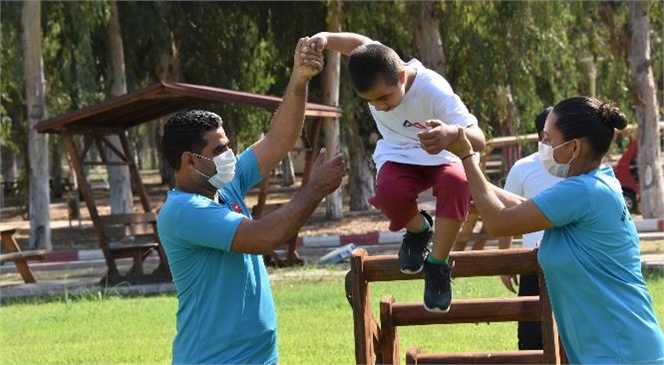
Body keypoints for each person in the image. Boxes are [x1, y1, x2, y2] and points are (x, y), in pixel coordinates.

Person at [157, 38, 345, 365]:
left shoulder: (224, 186)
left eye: (228, 146)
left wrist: (299, 79)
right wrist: (314, 189)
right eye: (218, 150)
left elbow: (279, 139)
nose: (228, 155)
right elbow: (263, 238)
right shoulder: (184, 211)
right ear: (189, 160)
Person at [447, 96, 664, 363]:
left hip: (619, 351)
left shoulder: (581, 190)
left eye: (548, 139)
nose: (543, 147)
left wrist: (466, 156)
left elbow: (500, 223)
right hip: (622, 346)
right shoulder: (599, 182)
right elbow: (526, 207)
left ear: (574, 147)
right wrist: (463, 176)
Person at [307, 32, 486, 312]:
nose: (380, 106)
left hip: (441, 151)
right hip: (399, 152)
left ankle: (437, 265)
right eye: (371, 101)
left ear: (401, 77)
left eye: (384, 97)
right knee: (388, 193)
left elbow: (480, 139)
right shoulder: (377, 61)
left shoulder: (433, 89)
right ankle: (420, 231)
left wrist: (452, 133)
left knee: (456, 182)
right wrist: (326, 38)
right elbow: (358, 44)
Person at [496, 106, 561, 351]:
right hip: (532, 263)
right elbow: (506, 217)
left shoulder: (579, 167)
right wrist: (506, 262)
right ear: (541, 135)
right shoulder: (523, 168)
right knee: (531, 335)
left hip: (571, 260)